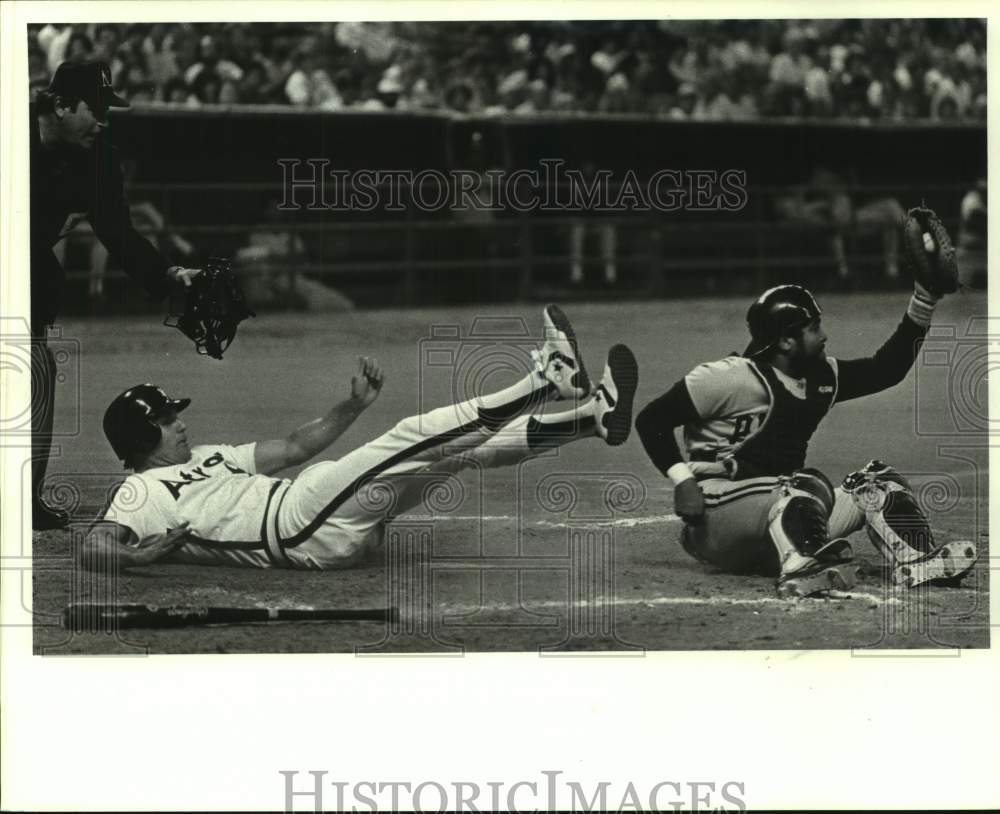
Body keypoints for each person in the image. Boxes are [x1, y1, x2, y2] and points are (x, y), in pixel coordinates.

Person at [79, 307, 639, 571]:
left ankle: (590, 417)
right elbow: (93, 545)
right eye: (166, 420)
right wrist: (135, 556)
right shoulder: (140, 493)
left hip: (315, 508)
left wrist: (351, 406)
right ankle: (545, 380)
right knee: (411, 437)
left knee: (451, 452)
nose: (180, 423)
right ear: (139, 436)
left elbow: (296, 448)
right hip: (297, 529)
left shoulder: (207, 455)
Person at [635, 282, 977, 597]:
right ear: (786, 340)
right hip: (717, 519)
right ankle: (803, 566)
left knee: (877, 484)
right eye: (814, 328)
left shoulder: (819, 377)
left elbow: (887, 369)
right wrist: (682, 480)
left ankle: (918, 562)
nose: (824, 335)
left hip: (781, 515)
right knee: (804, 484)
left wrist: (925, 299)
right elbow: (652, 420)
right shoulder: (729, 378)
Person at [30, 60, 203, 530]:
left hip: (26, 272)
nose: (104, 120)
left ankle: (23, 498)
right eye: (96, 109)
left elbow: (119, 234)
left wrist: (167, 273)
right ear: (61, 105)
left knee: (35, 371)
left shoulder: (99, 159)